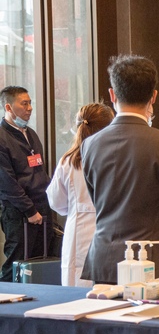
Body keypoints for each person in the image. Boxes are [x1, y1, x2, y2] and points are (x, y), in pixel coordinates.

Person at [80, 55, 159, 284]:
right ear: (154, 96)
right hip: (152, 257)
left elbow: (97, 199)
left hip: (104, 258)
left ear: (112, 94)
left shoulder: (90, 144)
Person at [46, 103, 114, 287]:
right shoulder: (116, 157)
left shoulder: (69, 160)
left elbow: (56, 201)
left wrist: (76, 207)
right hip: (111, 229)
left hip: (77, 230)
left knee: (76, 287)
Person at [0, 86, 54, 282]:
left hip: (42, 208)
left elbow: (39, 169)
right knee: (16, 265)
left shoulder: (30, 133)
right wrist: (30, 210)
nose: (29, 108)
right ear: (8, 107)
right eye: (24, 104)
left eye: (30, 103)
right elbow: (7, 183)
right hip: (19, 212)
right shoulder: (2, 137)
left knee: (40, 265)